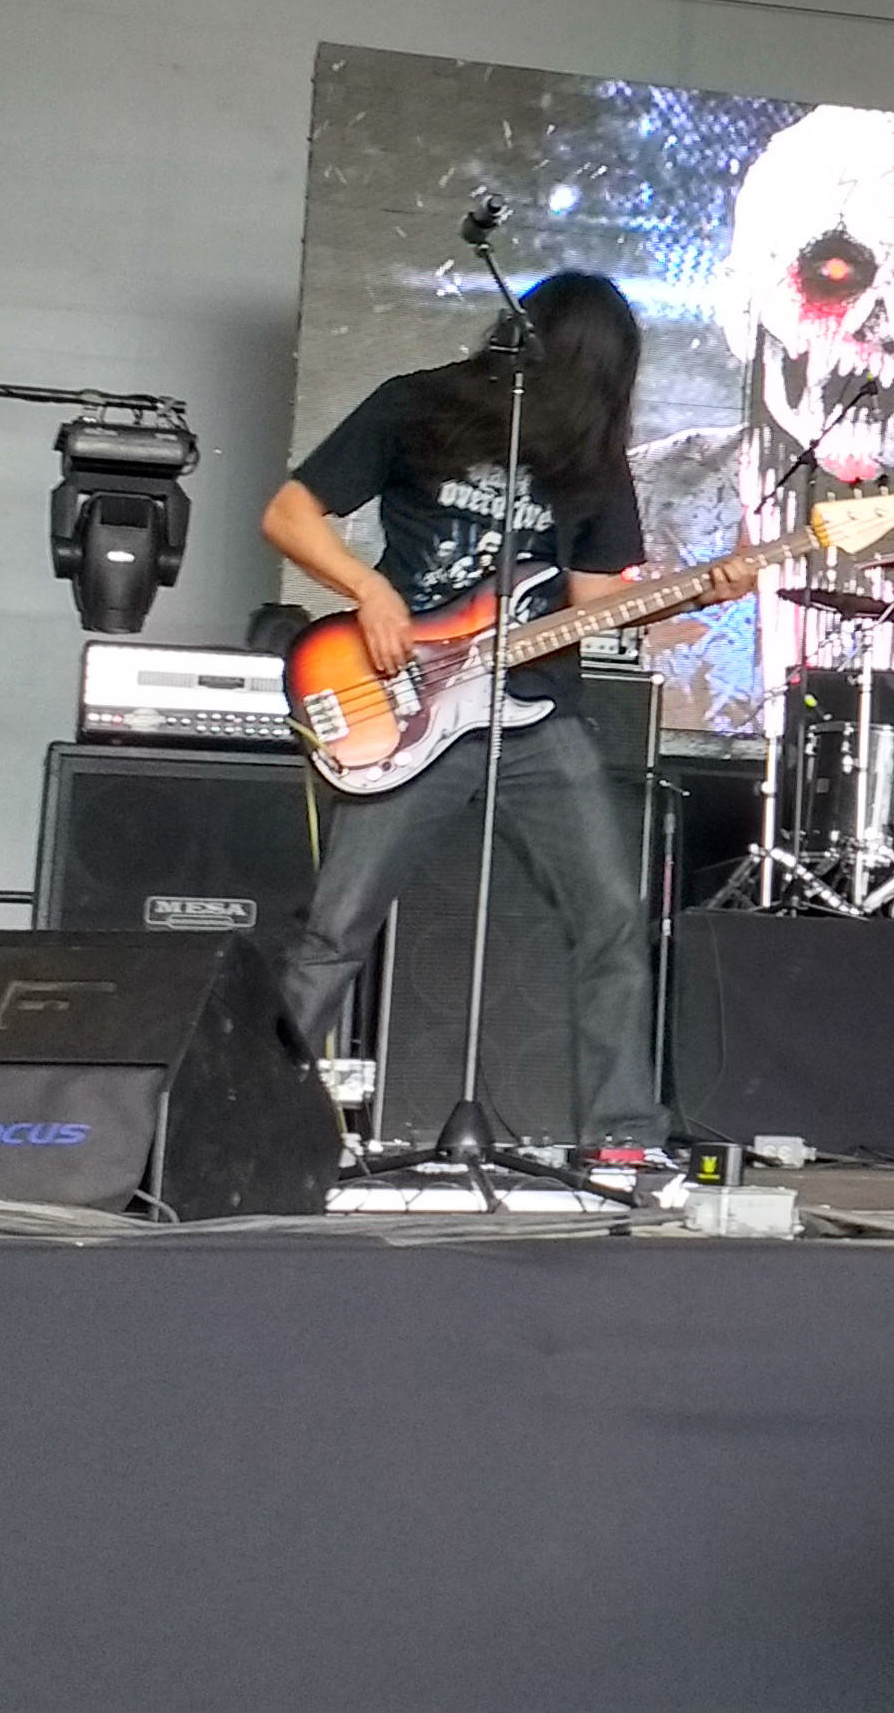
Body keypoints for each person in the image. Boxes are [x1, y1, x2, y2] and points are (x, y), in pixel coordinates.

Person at [262, 273, 750, 1155]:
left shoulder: (591, 461)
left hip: (538, 712)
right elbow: (290, 513)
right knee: (336, 925)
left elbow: (596, 601)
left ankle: (622, 1136)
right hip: (407, 700)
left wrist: (700, 591)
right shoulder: (418, 405)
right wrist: (370, 591)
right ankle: (244, 1111)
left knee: (609, 917)